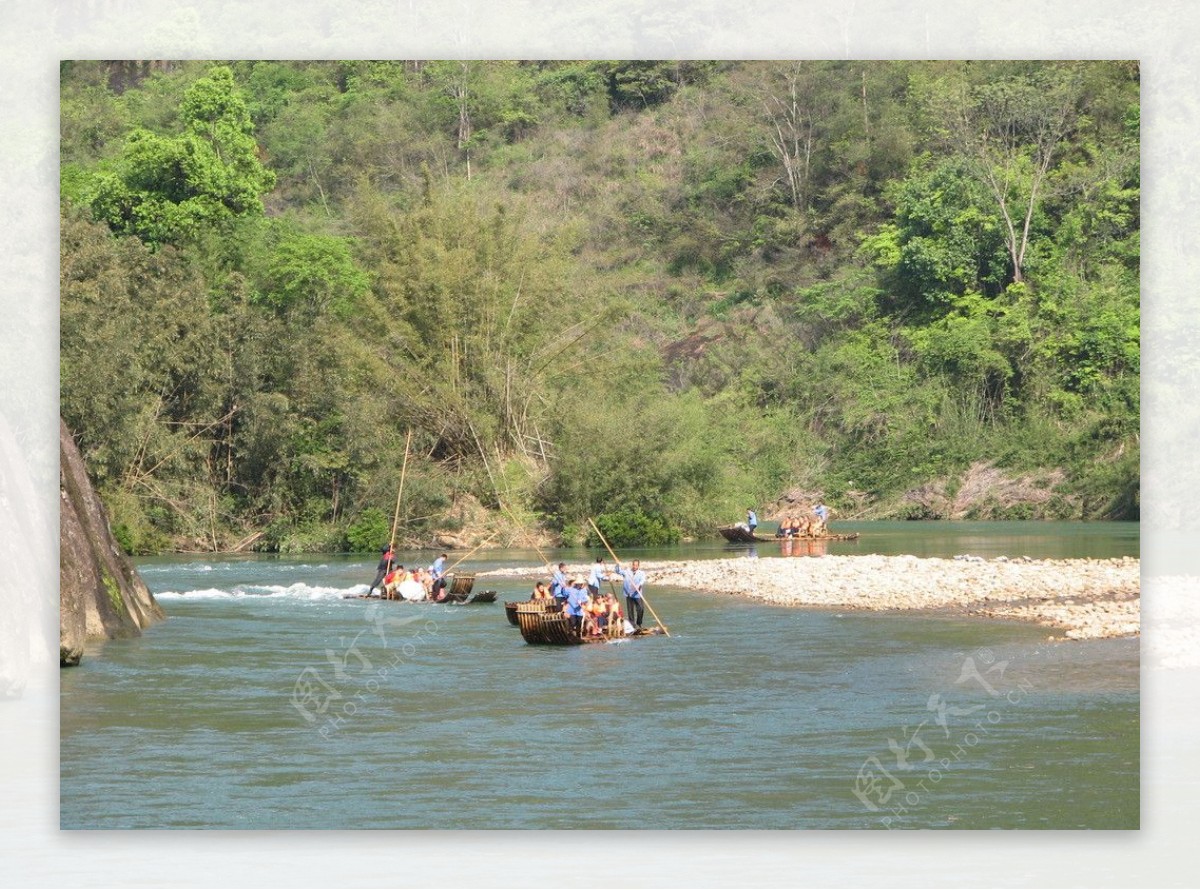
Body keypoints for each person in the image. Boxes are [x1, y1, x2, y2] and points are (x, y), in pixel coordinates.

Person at [613, 559, 647, 629]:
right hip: (629, 594)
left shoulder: (641, 573)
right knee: (630, 611)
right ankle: (632, 625)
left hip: (637, 594)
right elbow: (618, 571)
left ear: (638, 566)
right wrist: (617, 564)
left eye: (636, 565)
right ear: (632, 565)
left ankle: (639, 623)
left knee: (641, 608)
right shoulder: (627, 572)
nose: (635, 566)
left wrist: (639, 585)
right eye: (634, 565)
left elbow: (643, 580)